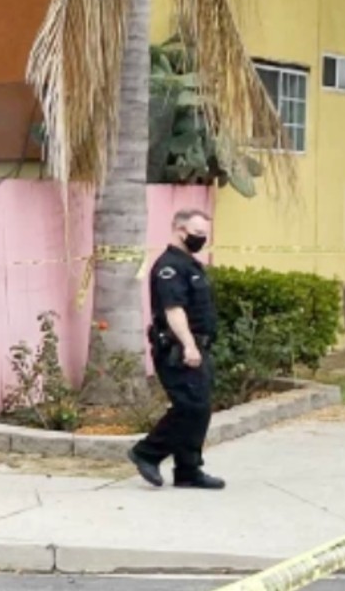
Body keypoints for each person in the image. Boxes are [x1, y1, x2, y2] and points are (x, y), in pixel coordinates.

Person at [130, 209, 224, 490]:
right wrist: (189, 346)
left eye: (205, 235)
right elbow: (174, 310)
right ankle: (147, 452)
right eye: (197, 234)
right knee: (189, 407)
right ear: (179, 230)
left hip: (196, 347)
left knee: (201, 409)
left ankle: (187, 470)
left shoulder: (190, 264)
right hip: (178, 349)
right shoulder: (169, 267)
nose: (202, 239)